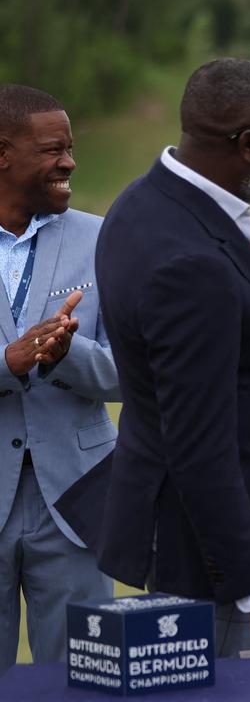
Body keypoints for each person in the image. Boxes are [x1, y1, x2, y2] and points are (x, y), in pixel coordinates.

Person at [57, 59, 250, 657]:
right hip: (209, 558)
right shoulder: (187, 258)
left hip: (193, 540)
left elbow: (225, 351)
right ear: (248, 144)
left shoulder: (144, 203)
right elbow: (197, 446)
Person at [0, 85, 119, 673]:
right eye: (52, 150)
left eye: (69, 148)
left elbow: (135, 371)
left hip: (78, 503)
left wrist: (65, 357)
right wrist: (8, 364)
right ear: (3, 154)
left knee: (84, 681)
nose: (70, 161)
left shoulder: (104, 238)